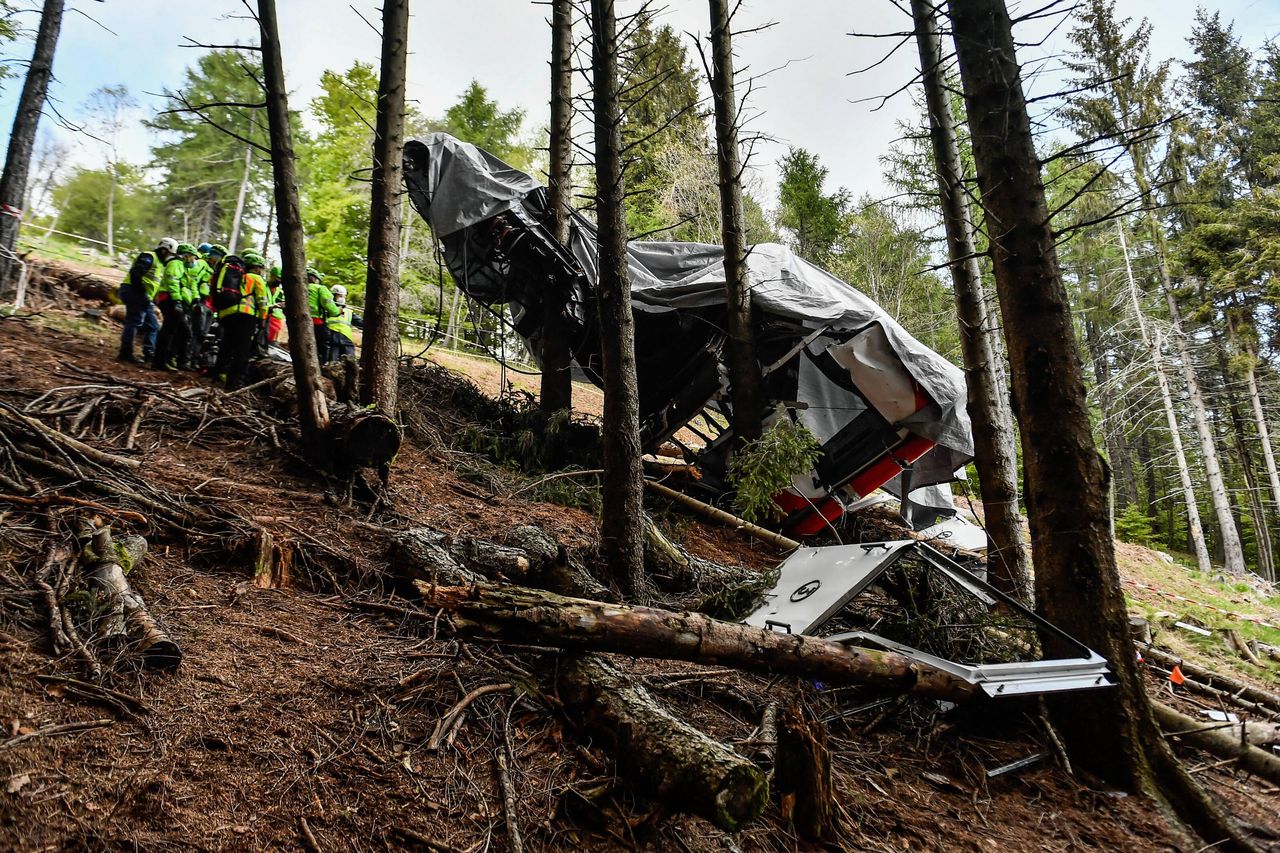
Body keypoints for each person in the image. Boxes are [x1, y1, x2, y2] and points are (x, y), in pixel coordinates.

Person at [212, 250, 269, 390]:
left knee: (226, 345)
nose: (261, 271)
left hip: (226, 314)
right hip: (245, 315)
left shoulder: (236, 275)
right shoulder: (256, 278)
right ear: (256, 267)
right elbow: (262, 301)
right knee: (242, 350)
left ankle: (216, 375)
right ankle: (234, 382)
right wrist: (263, 318)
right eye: (261, 268)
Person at [116, 237, 172, 364]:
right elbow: (136, 274)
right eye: (170, 254)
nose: (170, 257)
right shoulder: (149, 256)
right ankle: (125, 353)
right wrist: (142, 294)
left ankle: (149, 353)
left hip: (143, 296)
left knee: (153, 326)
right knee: (134, 321)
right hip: (133, 292)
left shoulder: (160, 264)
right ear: (164, 250)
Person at [151, 243, 196, 371]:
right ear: (186, 256)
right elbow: (172, 281)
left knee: (179, 331)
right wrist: (177, 300)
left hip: (173, 300)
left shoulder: (181, 265)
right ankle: (159, 361)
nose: (193, 260)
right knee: (169, 330)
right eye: (192, 257)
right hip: (170, 299)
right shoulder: (176, 263)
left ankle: (168, 360)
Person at [185, 244, 215, 369]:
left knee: (201, 335)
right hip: (200, 302)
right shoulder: (201, 264)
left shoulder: (214, 269)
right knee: (194, 332)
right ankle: (187, 359)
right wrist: (196, 300)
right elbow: (193, 282)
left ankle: (194, 360)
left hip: (209, 304)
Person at [306, 267, 338, 364]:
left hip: (299, 322)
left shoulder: (297, 288)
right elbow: (328, 304)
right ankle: (322, 364)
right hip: (317, 322)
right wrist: (336, 312)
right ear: (315, 278)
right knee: (322, 346)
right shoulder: (320, 288)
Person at [326, 284, 363, 362]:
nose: (342, 299)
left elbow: (360, 322)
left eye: (343, 296)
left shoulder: (349, 311)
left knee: (351, 363)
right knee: (331, 363)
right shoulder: (326, 310)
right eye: (339, 296)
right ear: (333, 296)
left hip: (347, 340)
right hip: (332, 340)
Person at [265, 263, 285, 344]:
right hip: (265, 317)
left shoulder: (280, 292)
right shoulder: (263, 286)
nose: (279, 281)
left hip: (276, 321)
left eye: (280, 279)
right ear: (272, 276)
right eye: (277, 278)